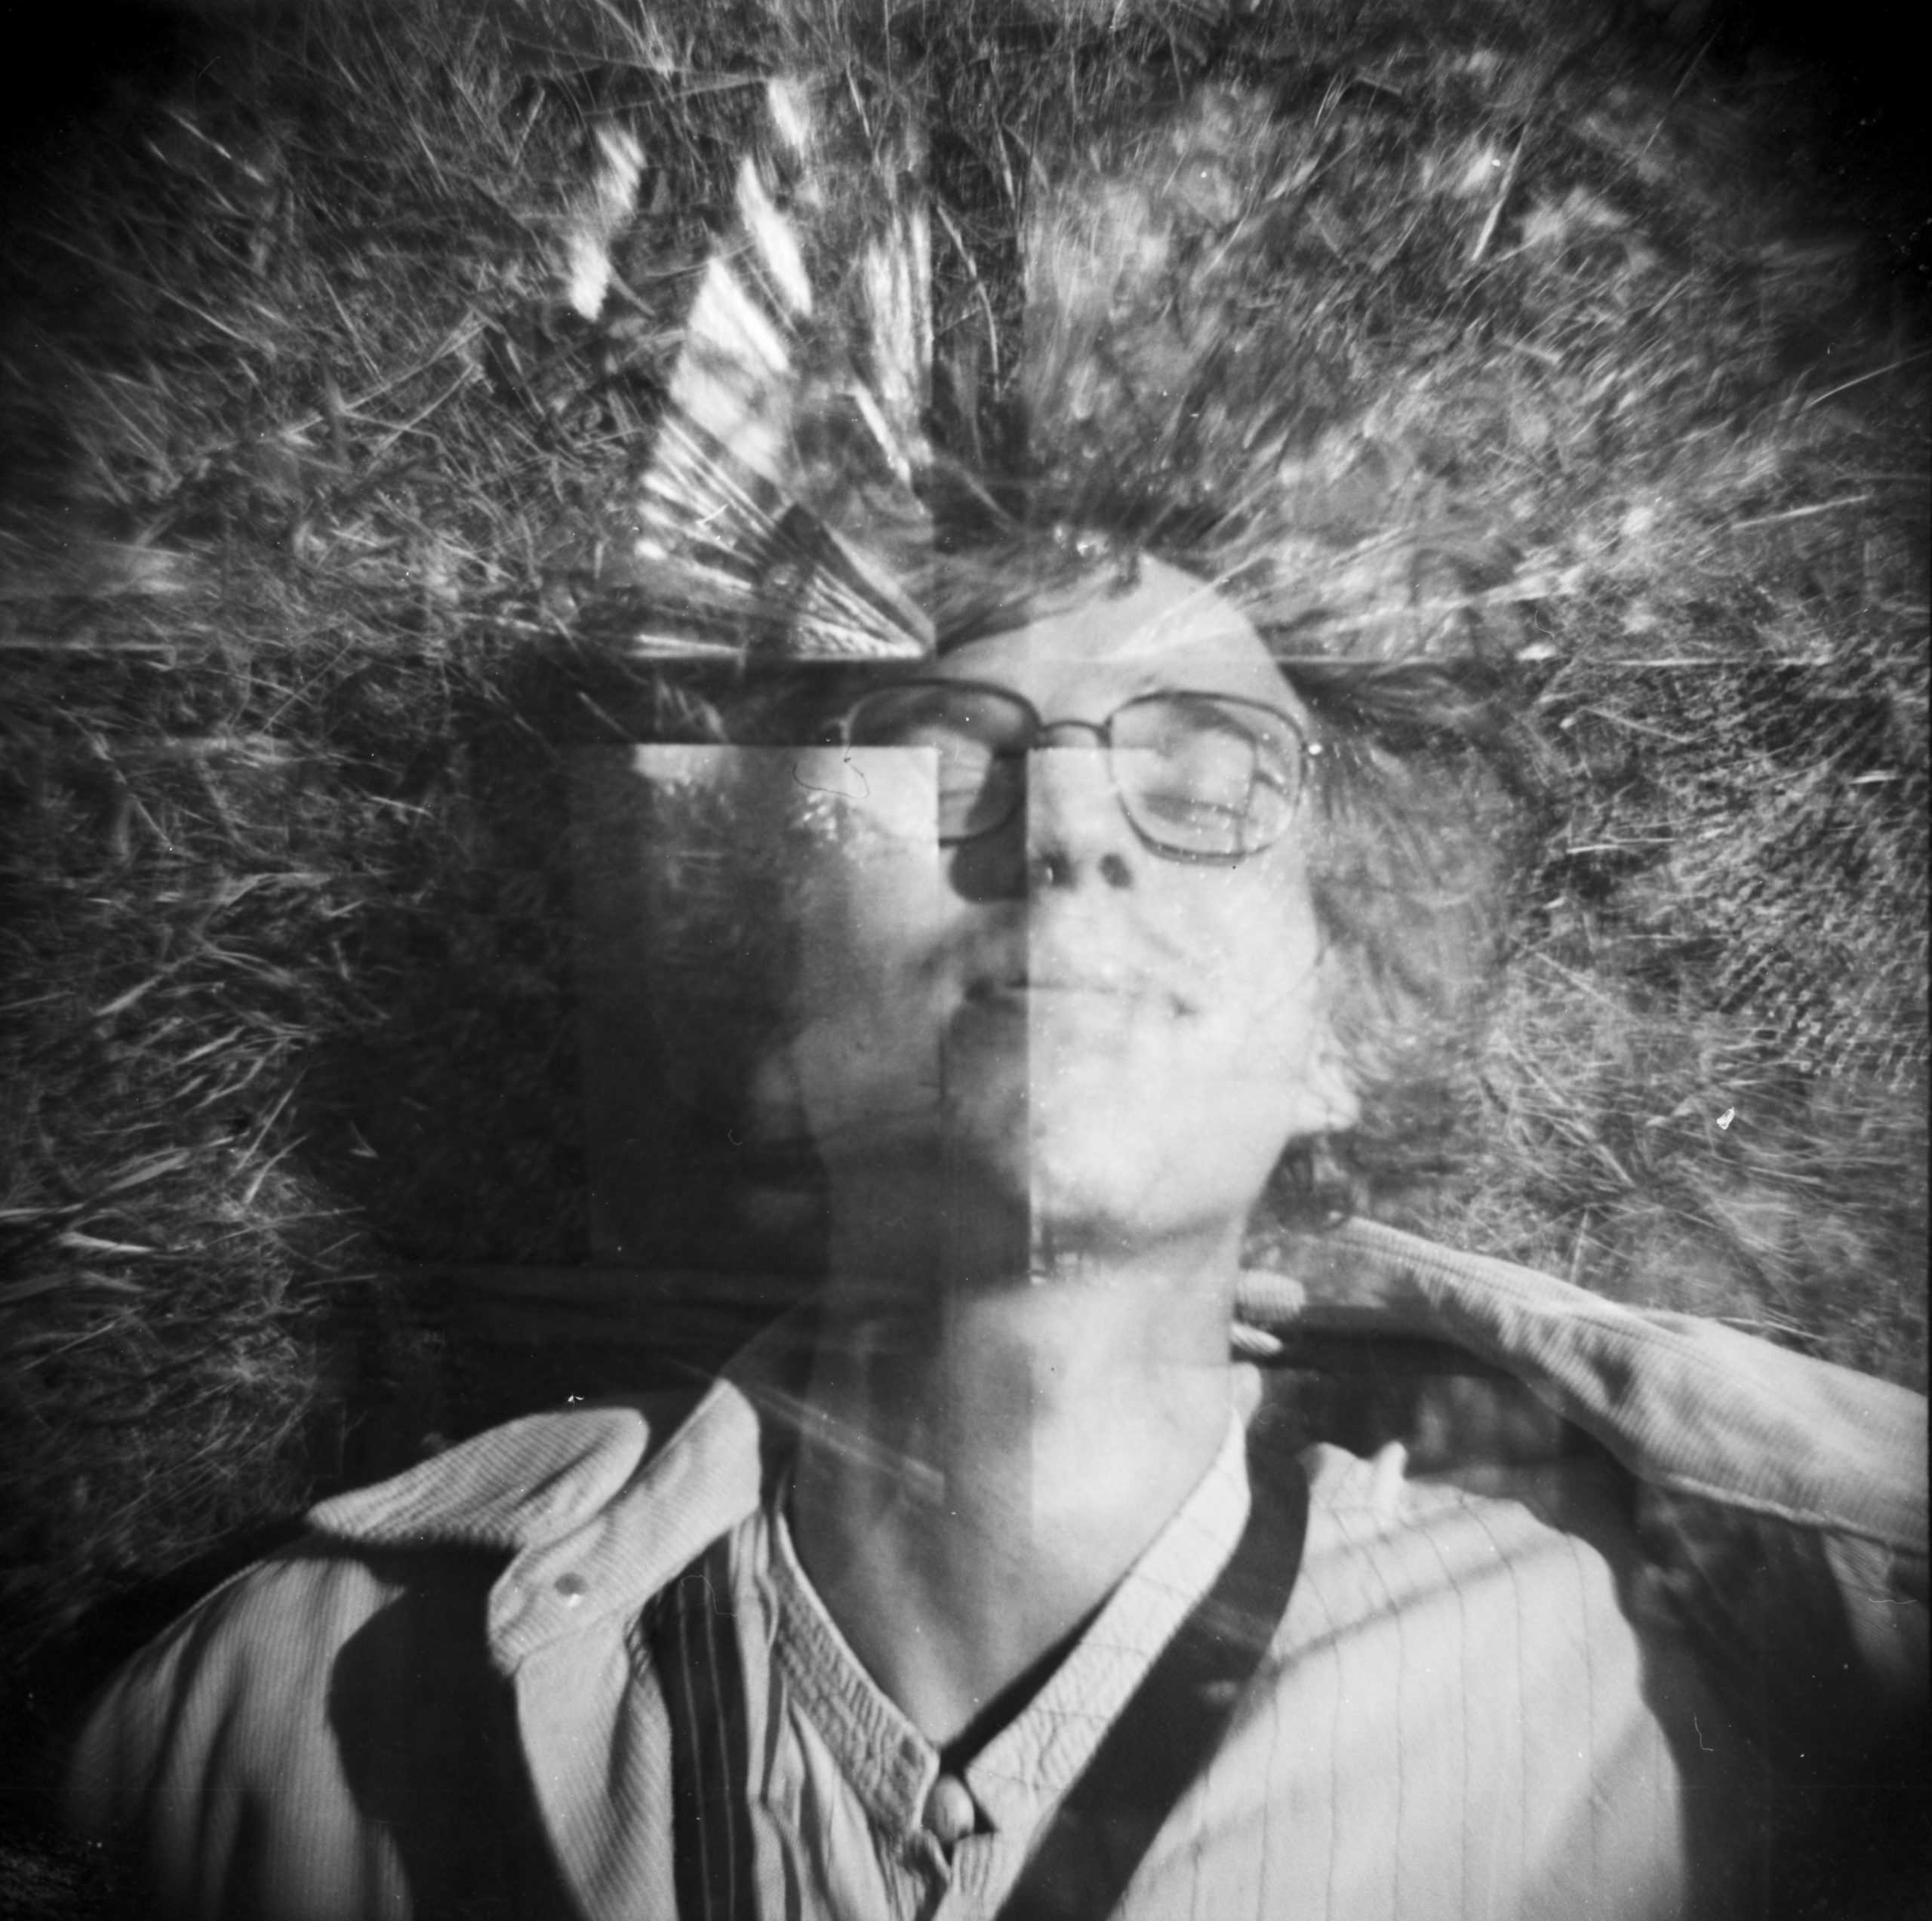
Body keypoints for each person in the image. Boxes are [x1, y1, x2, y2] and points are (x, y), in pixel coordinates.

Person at [66, 70, 1927, 1921]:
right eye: (945, 763)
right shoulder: (282, 1710)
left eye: (1203, 779)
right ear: (772, 990)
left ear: (1343, 1030)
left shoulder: (1682, 1704)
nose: (1063, 833)